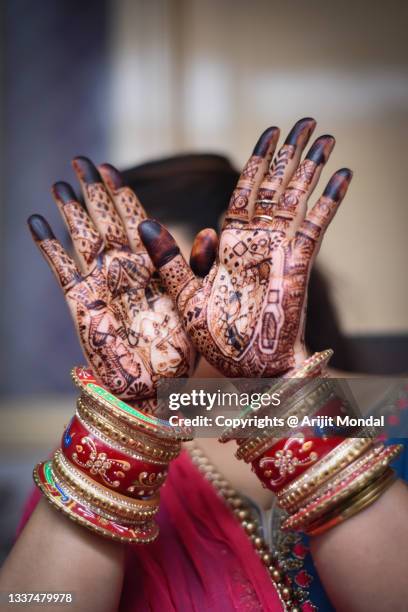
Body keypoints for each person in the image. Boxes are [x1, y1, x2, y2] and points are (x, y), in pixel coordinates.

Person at [0, 118, 407, 612]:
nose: (142, 314)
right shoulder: (90, 461)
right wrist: (132, 422)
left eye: (169, 270)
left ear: (257, 268)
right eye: (116, 292)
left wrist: (278, 388)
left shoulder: (395, 411)